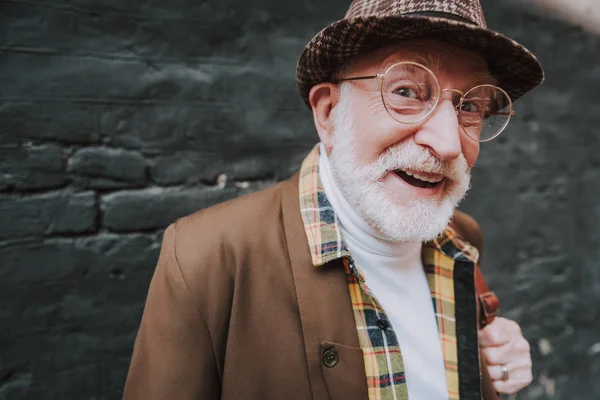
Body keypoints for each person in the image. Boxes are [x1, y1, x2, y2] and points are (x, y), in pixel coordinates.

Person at [124, 0, 543, 398]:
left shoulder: (461, 240)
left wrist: (492, 364)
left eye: (469, 105)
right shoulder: (207, 257)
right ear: (328, 111)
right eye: (407, 92)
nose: (450, 143)